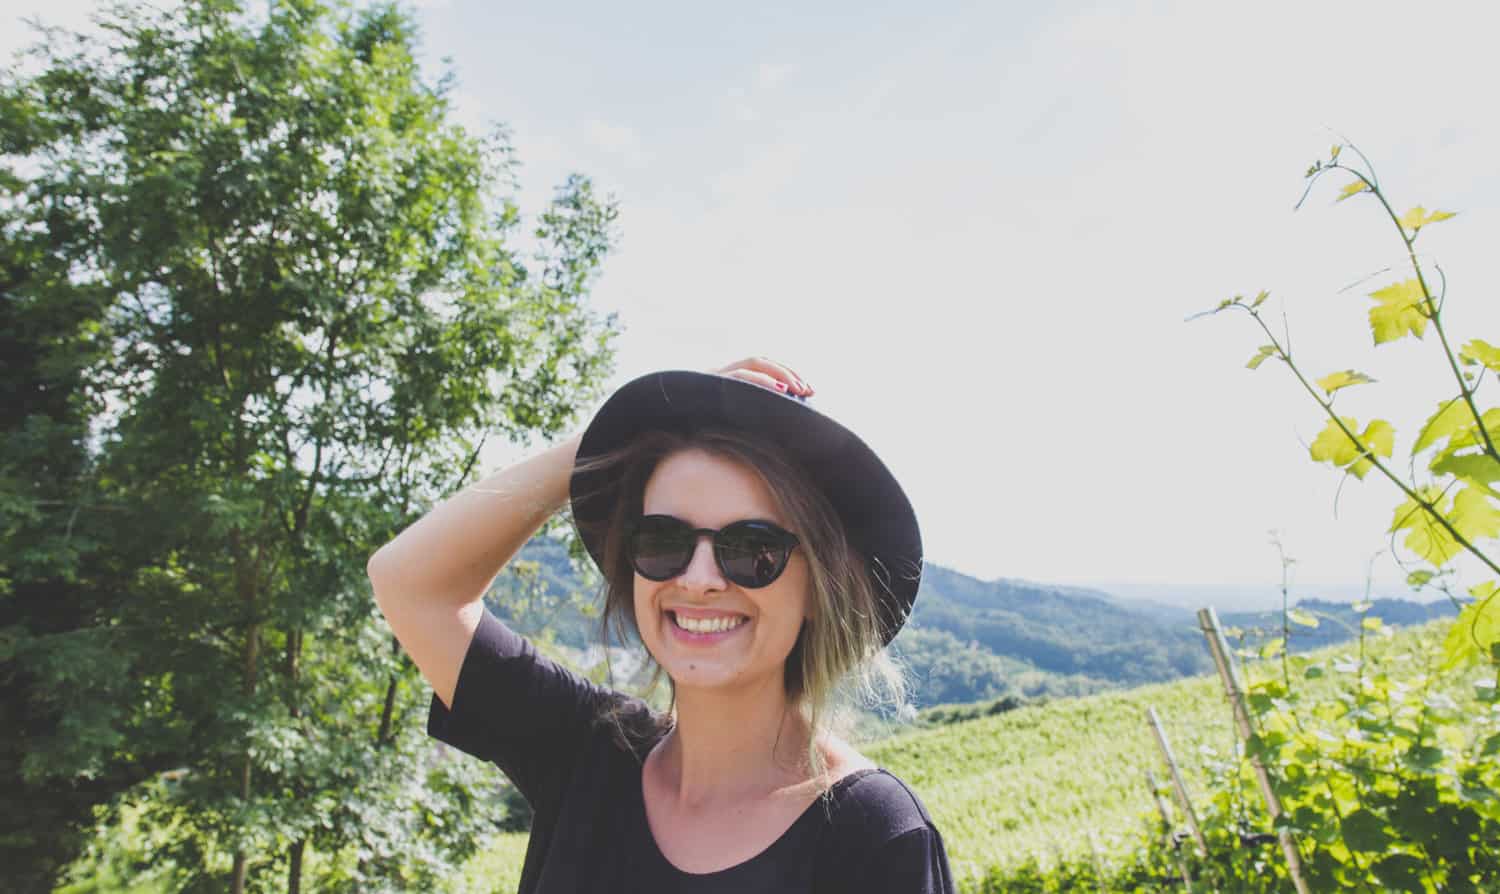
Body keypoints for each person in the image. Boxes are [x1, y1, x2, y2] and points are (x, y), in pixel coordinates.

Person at [368, 357, 955, 893]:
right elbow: (409, 584)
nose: (699, 579)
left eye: (752, 549)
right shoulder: (586, 752)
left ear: (817, 591)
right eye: (663, 540)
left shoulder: (875, 835)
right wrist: (610, 441)